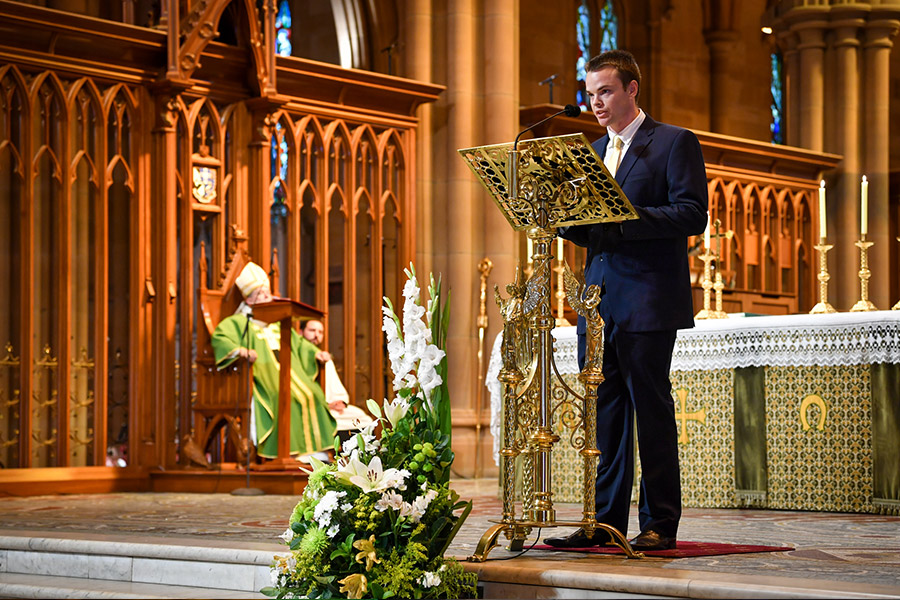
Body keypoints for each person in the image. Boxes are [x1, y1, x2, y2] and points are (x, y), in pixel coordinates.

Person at [546, 49, 708, 551]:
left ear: (632, 89)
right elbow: (592, 234)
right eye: (590, 93)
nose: (596, 102)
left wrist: (623, 215)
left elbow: (690, 214)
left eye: (606, 91)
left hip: (648, 298)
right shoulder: (592, 152)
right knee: (604, 414)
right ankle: (602, 519)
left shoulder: (673, 143)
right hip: (597, 301)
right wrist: (564, 218)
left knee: (650, 410)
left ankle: (660, 522)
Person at [211, 262, 337, 460]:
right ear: (248, 298)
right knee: (283, 396)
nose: (267, 297)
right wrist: (240, 351)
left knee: (313, 393)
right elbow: (220, 338)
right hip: (262, 377)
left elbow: (300, 344)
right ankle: (287, 453)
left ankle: (314, 452)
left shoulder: (278, 323)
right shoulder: (237, 322)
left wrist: (315, 354)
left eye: (267, 293)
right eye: (261, 294)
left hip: (291, 373)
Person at [299, 319, 374, 433]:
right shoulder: (295, 358)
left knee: (363, 419)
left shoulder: (326, 359)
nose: (316, 335)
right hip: (309, 407)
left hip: (331, 409)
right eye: (312, 330)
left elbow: (335, 386)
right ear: (300, 332)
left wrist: (340, 402)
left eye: (320, 332)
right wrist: (325, 405)